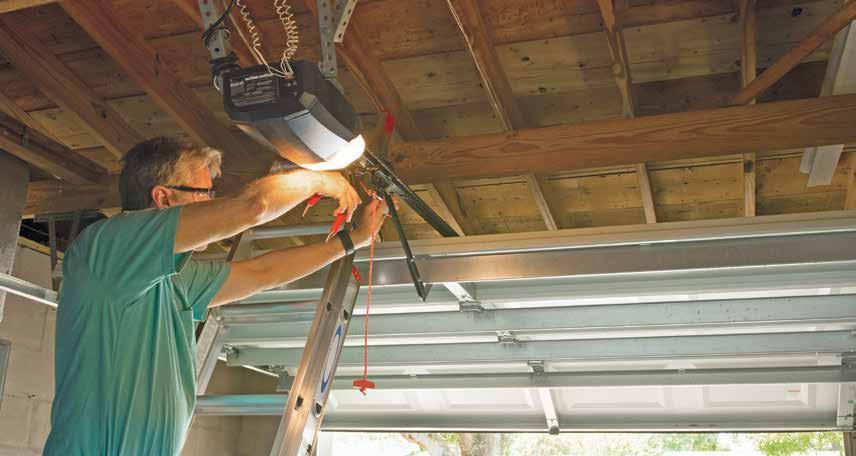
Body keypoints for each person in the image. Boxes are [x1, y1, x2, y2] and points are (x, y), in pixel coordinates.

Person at [42, 136, 388, 455]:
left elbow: (262, 273)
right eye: (203, 193)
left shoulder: (175, 278)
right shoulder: (108, 249)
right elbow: (252, 207)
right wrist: (320, 180)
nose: (211, 203)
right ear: (163, 198)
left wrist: (352, 240)